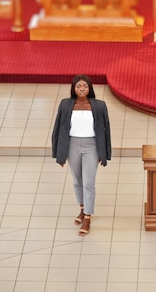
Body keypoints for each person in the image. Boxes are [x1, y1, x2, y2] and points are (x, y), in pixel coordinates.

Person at [52, 75, 111, 236]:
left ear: (90, 88)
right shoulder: (66, 104)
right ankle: (82, 207)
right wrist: (59, 153)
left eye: (85, 86)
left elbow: (106, 130)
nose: (82, 89)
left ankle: (87, 216)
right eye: (79, 86)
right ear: (74, 88)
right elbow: (58, 129)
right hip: (72, 146)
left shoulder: (99, 106)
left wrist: (104, 152)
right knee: (77, 181)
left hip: (91, 146)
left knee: (89, 182)